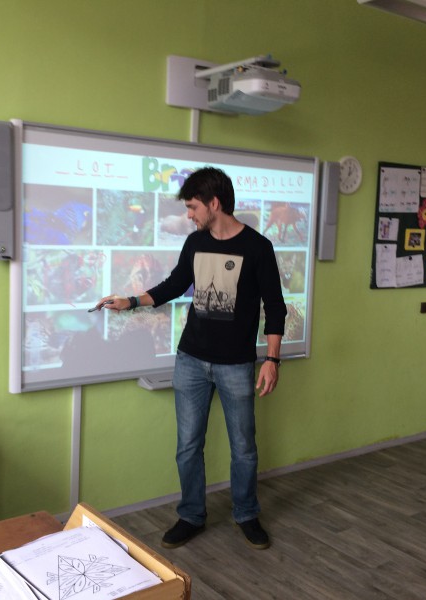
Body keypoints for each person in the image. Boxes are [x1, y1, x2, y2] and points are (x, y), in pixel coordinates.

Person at [95, 167, 286, 550]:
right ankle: (191, 515)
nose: (189, 215)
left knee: (243, 448)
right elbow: (174, 285)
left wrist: (272, 359)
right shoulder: (195, 242)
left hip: (236, 364)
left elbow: (275, 307)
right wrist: (129, 301)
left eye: (193, 207)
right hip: (191, 361)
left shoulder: (258, 247)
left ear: (214, 203)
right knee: (187, 446)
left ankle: (246, 514)